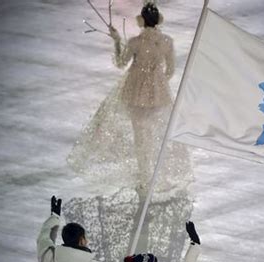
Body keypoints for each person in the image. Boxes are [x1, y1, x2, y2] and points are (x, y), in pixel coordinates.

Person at [67, 1, 193, 198]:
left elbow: (120, 63)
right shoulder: (167, 42)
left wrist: (117, 40)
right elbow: (170, 71)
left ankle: (145, 177)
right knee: (154, 135)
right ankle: (152, 175)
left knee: (140, 136)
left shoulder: (135, 42)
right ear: (159, 20)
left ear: (141, 21)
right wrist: (157, 81)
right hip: (158, 94)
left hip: (135, 93)